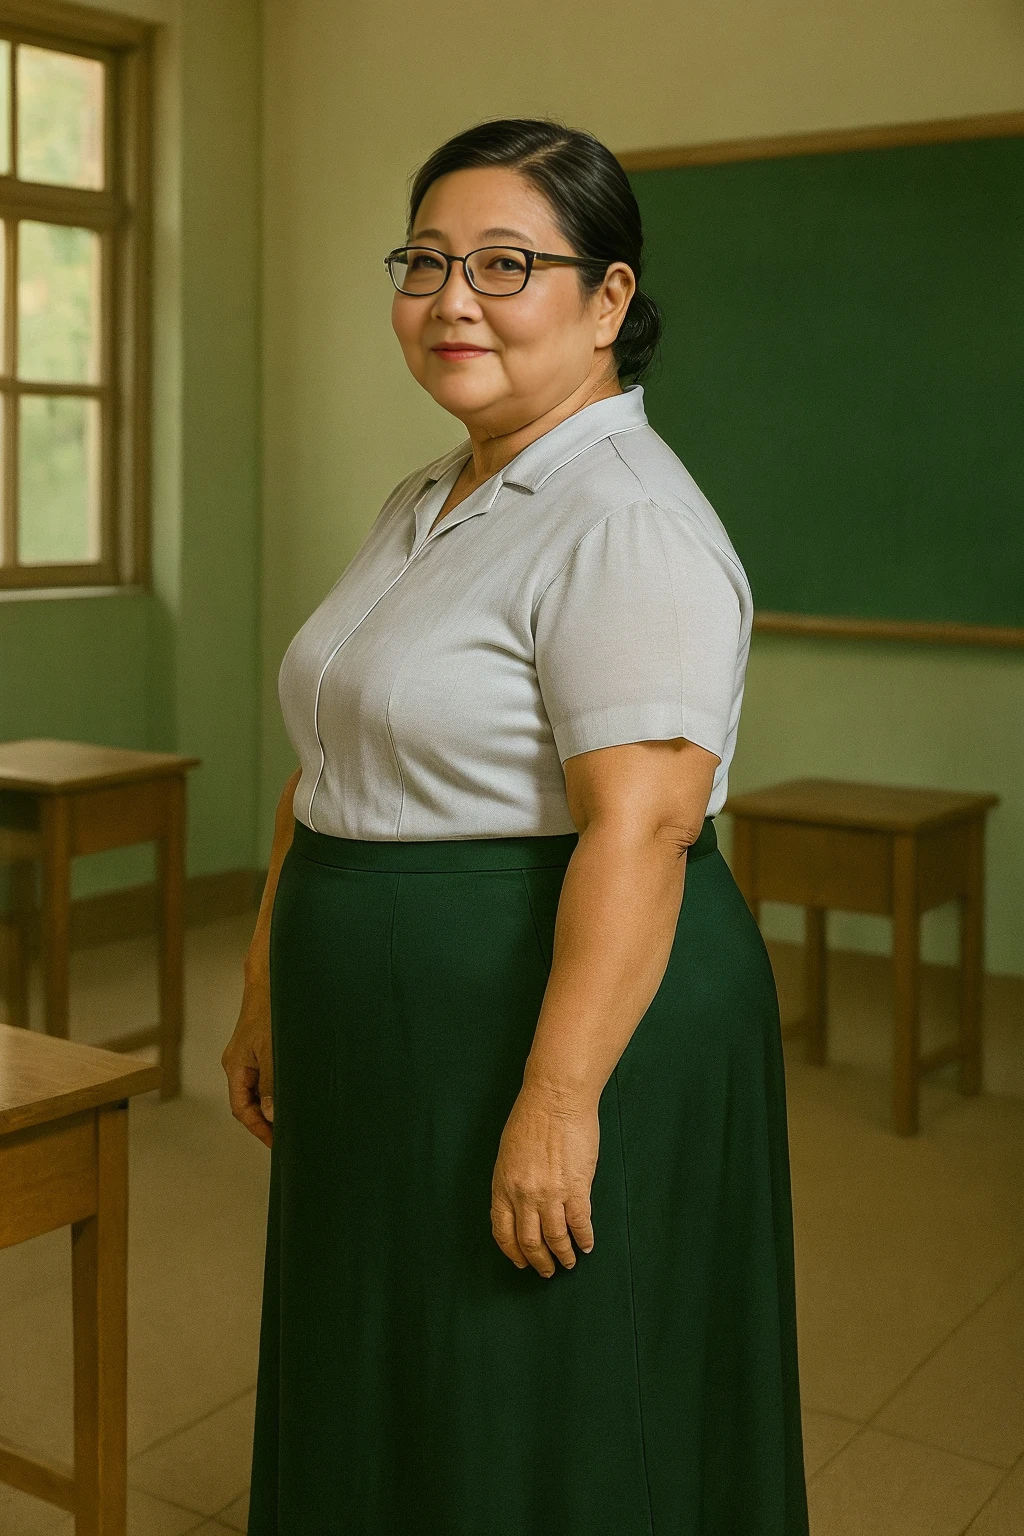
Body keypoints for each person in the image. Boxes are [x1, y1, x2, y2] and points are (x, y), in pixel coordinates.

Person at [223, 115, 809, 1535]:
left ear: (609, 300)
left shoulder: (627, 521)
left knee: (540, 1387)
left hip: (561, 1019)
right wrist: (263, 983)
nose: (451, 300)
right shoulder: (434, 493)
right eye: (425, 262)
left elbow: (647, 828)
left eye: (505, 263)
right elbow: (331, 758)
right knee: (400, 1360)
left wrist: (556, 1107)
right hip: (389, 1019)